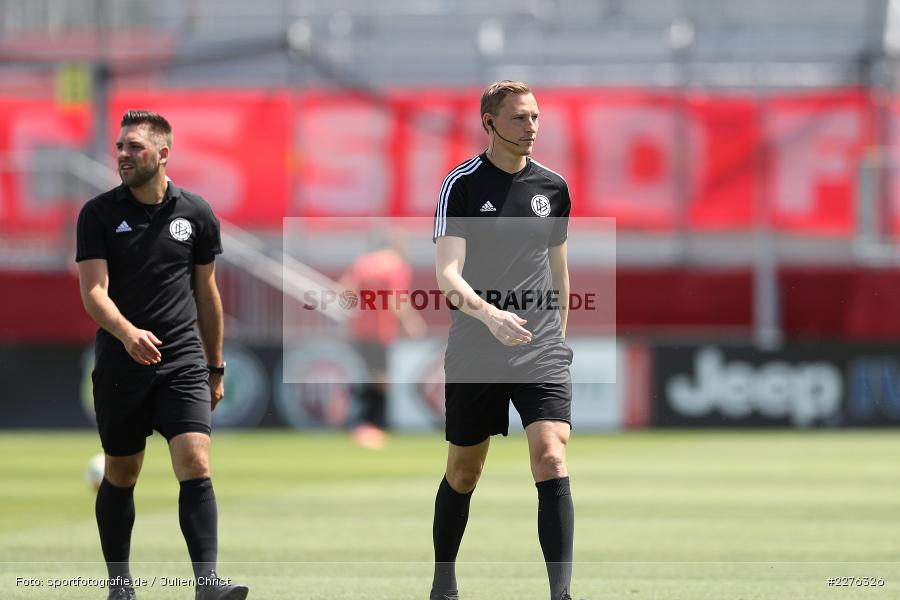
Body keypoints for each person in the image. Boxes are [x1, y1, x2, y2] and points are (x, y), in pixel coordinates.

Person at [75, 110, 249, 600]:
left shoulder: (196, 214)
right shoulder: (98, 214)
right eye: (121, 148)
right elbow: (94, 293)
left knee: (195, 460)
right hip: (120, 364)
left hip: (182, 362)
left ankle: (207, 585)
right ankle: (120, 585)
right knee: (122, 472)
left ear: (163, 154)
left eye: (134, 147)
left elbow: (208, 297)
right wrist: (128, 334)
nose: (123, 156)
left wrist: (215, 366)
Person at [430, 80, 575, 600]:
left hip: (540, 347)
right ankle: (444, 583)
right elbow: (448, 275)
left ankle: (561, 594)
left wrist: (559, 336)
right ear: (489, 123)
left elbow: (558, 269)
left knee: (552, 456)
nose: (531, 127)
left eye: (535, 117)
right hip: (477, 345)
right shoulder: (461, 186)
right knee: (465, 471)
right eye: (518, 118)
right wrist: (490, 316)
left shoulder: (553, 188)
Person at [340, 231, 426, 449]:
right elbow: (398, 299)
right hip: (380, 331)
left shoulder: (363, 263)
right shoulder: (396, 266)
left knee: (372, 375)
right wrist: (412, 323)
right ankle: (368, 425)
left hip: (359, 329)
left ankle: (361, 423)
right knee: (381, 379)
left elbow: (345, 290)